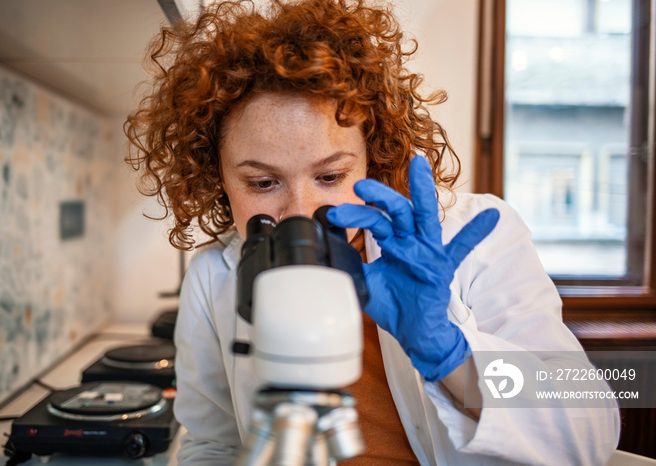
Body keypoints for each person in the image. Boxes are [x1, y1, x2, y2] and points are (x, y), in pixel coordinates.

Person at [125, 0, 620, 464]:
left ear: (373, 160)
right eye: (262, 182)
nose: (301, 211)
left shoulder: (474, 237)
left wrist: (449, 354)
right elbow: (214, 446)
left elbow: (590, 436)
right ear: (218, 180)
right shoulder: (214, 279)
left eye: (330, 177)